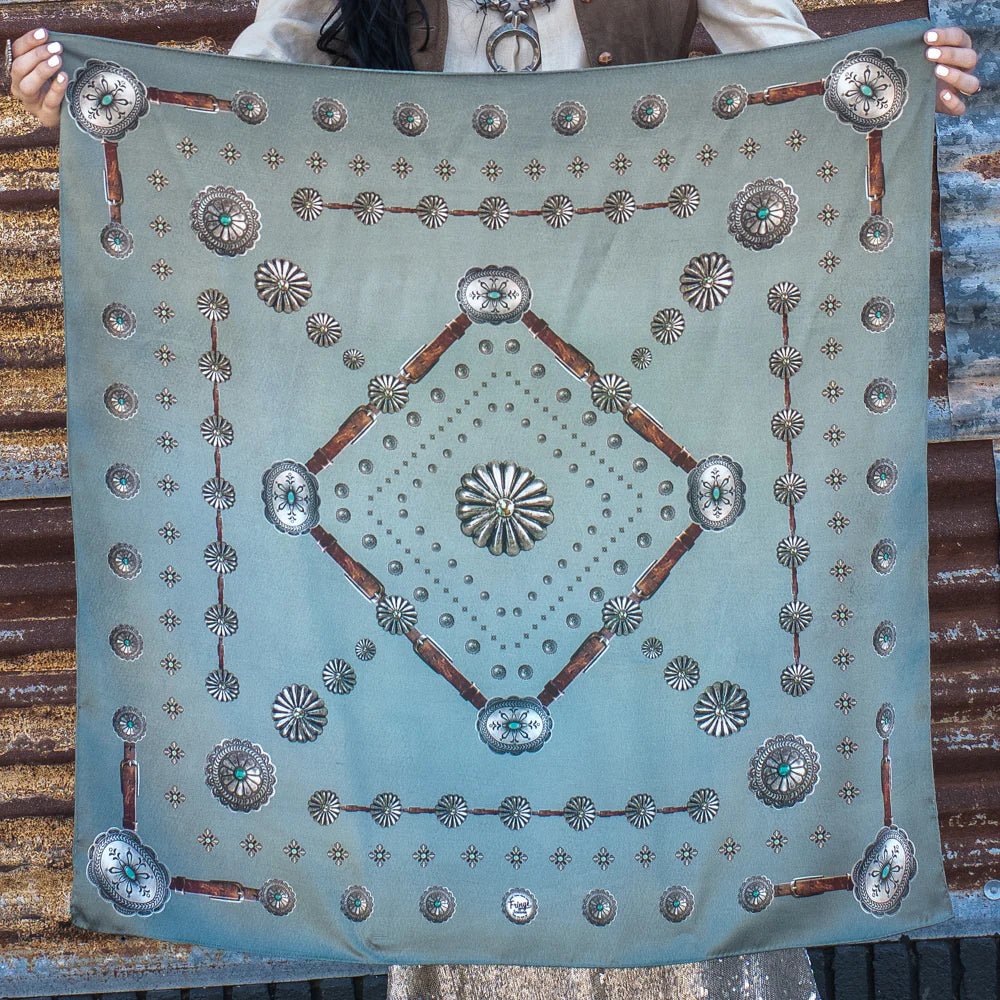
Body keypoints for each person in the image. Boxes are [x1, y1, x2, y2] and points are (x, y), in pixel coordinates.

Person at [9, 4, 980, 999]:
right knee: (454, 710)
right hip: (431, 386)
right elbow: (249, 93)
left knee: (643, 703)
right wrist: (116, 116)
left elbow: (792, 71)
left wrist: (889, 88)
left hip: (633, 370)